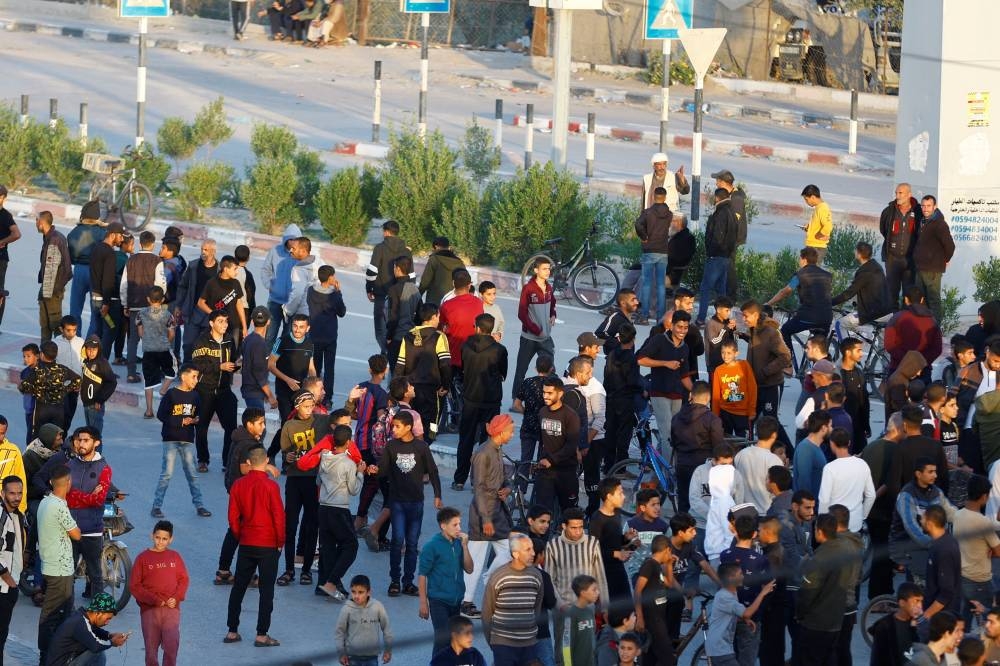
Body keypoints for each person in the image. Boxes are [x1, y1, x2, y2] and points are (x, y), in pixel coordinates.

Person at [375, 410, 443, 597]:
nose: (394, 430)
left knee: (412, 544)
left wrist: (438, 495)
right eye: (392, 426)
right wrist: (373, 469)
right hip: (397, 502)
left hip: (416, 503)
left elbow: (433, 471)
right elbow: (383, 471)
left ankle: (408, 582)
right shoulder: (391, 447)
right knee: (397, 541)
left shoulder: (421, 447)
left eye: (397, 426)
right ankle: (395, 580)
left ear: (408, 427)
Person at [224, 446, 284, 648]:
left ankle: (232, 631)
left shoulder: (239, 485)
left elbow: (233, 517)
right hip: (268, 543)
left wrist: (241, 535)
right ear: (266, 461)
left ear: (249, 462)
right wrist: (280, 542)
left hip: (247, 541)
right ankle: (261, 634)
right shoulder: (271, 487)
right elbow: (279, 517)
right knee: (266, 590)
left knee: (239, 587)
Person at [298, 424, 364, 600]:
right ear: (349, 443)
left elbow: (319, 481)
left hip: (323, 507)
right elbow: (353, 489)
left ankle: (322, 583)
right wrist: (360, 473)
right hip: (339, 508)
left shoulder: (324, 458)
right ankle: (332, 582)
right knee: (351, 545)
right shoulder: (349, 464)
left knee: (327, 547)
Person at [461, 414, 515, 619]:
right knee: (475, 559)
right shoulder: (483, 453)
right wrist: (486, 519)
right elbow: (479, 489)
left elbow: (504, 479)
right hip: (484, 514)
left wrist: (507, 489)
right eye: (510, 430)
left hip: (497, 511)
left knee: (509, 551)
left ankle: (490, 579)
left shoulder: (496, 450)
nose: (512, 434)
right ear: (501, 432)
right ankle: (466, 601)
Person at [546, 507, 608, 665]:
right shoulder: (553, 546)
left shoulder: (592, 543)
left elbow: (599, 575)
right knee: (563, 650)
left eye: (581, 527)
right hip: (564, 608)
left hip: (587, 608)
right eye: (573, 527)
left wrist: (605, 606)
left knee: (587, 647)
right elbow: (549, 580)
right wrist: (560, 605)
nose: (578, 531)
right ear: (564, 527)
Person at [454, 313, 507, 490]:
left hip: (470, 398)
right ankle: (480, 480)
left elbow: (462, 369)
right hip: (491, 401)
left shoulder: (466, 346)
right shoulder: (499, 350)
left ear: (477, 327)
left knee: (466, 440)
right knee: (488, 443)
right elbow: (503, 373)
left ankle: (459, 479)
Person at [152, 363, 210, 519]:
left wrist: (195, 419)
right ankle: (156, 506)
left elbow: (197, 415)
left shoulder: (195, 396)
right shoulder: (172, 394)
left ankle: (199, 505)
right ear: (183, 376)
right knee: (167, 474)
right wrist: (180, 422)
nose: (196, 380)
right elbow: (161, 415)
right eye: (193, 376)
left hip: (187, 439)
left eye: (197, 377)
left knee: (192, 474)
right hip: (170, 438)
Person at [36, 465, 80, 664]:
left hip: (50, 566)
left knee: (58, 614)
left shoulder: (46, 502)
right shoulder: (60, 506)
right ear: (68, 483)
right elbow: (76, 534)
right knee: (53, 616)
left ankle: (53, 656)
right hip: (60, 570)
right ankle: (48, 657)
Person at [128, 520, 189, 666]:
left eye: (164, 539)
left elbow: (183, 579)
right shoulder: (142, 558)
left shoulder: (175, 556)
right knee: (151, 651)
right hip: (150, 610)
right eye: (157, 537)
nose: (160, 542)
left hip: (171, 609)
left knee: (171, 646)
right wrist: (155, 600)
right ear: (152, 536)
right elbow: (134, 586)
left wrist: (176, 597)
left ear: (170, 539)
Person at [889, 458, 957, 585]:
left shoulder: (936, 492)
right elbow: (911, 527)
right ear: (918, 474)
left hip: (929, 543)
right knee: (924, 581)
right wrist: (933, 544)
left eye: (935, 471)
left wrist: (967, 520)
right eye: (930, 472)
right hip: (906, 544)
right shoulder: (907, 495)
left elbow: (950, 512)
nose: (935, 475)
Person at [794, 513, 851, 663]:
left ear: (819, 531)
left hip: (816, 623)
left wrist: (799, 614)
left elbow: (807, 594)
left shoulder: (818, 558)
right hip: (836, 620)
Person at [417, 507, 473, 656]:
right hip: (438, 600)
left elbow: (469, 569)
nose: (459, 528)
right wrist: (423, 603)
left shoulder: (458, 544)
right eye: (455, 525)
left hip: (456, 600)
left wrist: (465, 547)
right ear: (443, 525)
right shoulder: (431, 546)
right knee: (443, 639)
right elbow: (422, 575)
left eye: (459, 524)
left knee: (453, 640)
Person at [638, 310, 694, 458]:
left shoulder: (685, 347)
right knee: (667, 434)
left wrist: (696, 391)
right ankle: (669, 473)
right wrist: (665, 363)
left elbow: (684, 376)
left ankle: (658, 473)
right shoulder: (659, 340)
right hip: (659, 393)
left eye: (685, 327)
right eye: (679, 327)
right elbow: (640, 359)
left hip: (677, 395)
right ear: (672, 326)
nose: (682, 331)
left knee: (674, 434)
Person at [190, 310, 240, 472]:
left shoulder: (229, 340)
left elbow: (233, 361)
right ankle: (203, 460)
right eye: (220, 321)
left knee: (231, 427)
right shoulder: (202, 341)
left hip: (224, 390)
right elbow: (196, 364)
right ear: (211, 323)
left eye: (226, 321)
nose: (224, 325)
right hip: (205, 390)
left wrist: (238, 364)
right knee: (202, 426)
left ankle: (227, 462)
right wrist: (219, 366)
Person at [395, 304, 452, 443]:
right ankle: (428, 444)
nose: (439, 319)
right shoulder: (439, 337)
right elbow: (445, 364)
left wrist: (397, 389)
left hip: (410, 391)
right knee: (432, 423)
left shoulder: (408, 336)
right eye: (438, 316)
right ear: (433, 317)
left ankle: (412, 448)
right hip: (432, 391)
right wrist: (446, 385)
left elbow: (400, 365)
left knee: (411, 423)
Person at [720, 515, 771, 666]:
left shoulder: (725, 555)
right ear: (755, 534)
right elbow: (767, 587)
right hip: (750, 613)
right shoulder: (761, 560)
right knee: (747, 658)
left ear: (735, 532)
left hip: (728, 613)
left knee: (728, 656)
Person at [766, 246, 833, 356]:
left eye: (799, 258)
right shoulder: (827, 275)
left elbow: (785, 291)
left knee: (785, 330)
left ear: (804, 259)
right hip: (826, 317)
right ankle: (824, 365)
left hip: (809, 316)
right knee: (820, 345)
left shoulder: (800, 275)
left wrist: (769, 303)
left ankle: (788, 361)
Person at [738, 301, 791, 436]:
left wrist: (765, 372)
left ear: (755, 315)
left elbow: (785, 356)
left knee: (771, 424)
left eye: (746, 316)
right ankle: (745, 451)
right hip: (755, 386)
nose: (743, 319)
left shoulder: (771, 333)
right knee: (748, 420)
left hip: (771, 386)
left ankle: (788, 454)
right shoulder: (754, 330)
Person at [707, 561, 775, 666]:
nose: (743, 577)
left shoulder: (731, 593)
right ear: (730, 578)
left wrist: (745, 619)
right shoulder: (725, 596)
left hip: (722, 647)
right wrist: (763, 593)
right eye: (740, 574)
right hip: (720, 649)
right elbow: (747, 613)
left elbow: (732, 613)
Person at [120, 230, 166, 383]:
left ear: (140, 243)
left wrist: (125, 304)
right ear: (153, 244)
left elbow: (124, 285)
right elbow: (161, 285)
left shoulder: (131, 260)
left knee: (133, 340)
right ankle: (153, 373)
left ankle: (131, 373)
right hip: (151, 305)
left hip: (133, 305)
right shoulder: (157, 261)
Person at [672, 379, 724, 514]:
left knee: (683, 503)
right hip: (703, 466)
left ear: (691, 396)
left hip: (682, 464)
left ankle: (682, 530)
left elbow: (674, 441)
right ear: (708, 398)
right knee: (704, 505)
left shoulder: (676, 417)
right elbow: (719, 446)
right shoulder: (712, 420)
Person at [511, 257, 557, 404]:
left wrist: (553, 315)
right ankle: (515, 402)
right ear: (536, 270)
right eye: (544, 268)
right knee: (521, 371)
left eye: (549, 268)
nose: (548, 271)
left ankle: (549, 402)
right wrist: (535, 329)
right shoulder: (529, 289)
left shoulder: (548, 288)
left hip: (546, 338)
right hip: (529, 338)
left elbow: (553, 304)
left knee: (551, 369)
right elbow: (522, 314)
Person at [534, 377, 581, 514]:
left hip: (566, 471)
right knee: (542, 512)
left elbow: (571, 445)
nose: (545, 396)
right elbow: (542, 440)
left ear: (560, 394)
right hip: (546, 472)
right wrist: (540, 462)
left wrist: (551, 460)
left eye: (549, 393)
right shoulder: (542, 412)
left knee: (570, 512)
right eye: (544, 392)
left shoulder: (571, 416)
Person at [588, 478, 637, 608]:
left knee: (626, 606)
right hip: (602, 572)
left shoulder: (617, 513)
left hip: (618, 568)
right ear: (609, 496)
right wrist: (616, 554)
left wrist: (626, 538)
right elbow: (593, 550)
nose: (624, 496)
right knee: (607, 611)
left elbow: (613, 541)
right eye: (620, 493)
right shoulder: (597, 519)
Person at [366, 220, 412, 356]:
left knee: (380, 328)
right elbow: (412, 274)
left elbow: (372, 272)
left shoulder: (380, 248)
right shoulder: (406, 250)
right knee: (396, 326)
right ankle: (389, 353)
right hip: (401, 294)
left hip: (382, 293)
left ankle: (387, 352)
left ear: (385, 232)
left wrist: (369, 289)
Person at [46, 591, 129, 665]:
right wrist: (112, 642)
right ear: (98, 613)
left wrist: (109, 635)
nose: (107, 622)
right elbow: (96, 645)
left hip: (66, 660)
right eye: (108, 618)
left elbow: (94, 630)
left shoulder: (82, 617)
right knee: (97, 653)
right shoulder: (79, 623)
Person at [817, 427, 876, 530]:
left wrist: (822, 523)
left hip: (834, 524)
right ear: (849, 443)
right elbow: (871, 495)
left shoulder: (830, 468)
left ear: (832, 444)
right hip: (856, 522)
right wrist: (862, 516)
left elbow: (824, 500)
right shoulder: (862, 464)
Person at [696, 187, 739, 326]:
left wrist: (711, 251)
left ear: (717, 198)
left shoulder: (720, 213)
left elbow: (717, 236)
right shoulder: (732, 212)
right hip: (726, 257)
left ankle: (701, 318)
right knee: (721, 290)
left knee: (706, 288)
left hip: (716, 257)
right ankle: (723, 319)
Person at [633, 534, 677, 665]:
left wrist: (669, 564)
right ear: (668, 550)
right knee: (668, 658)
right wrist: (640, 617)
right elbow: (637, 590)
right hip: (652, 618)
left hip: (659, 616)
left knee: (651, 657)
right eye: (670, 552)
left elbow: (669, 583)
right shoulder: (649, 565)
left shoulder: (657, 566)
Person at [305, 264, 346, 404]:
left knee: (315, 368)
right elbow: (342, 312)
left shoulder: (311, 291)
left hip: (314, 335)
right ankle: (327, 398)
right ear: (329, 278)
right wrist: (339, 292)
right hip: (329, 337)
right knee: (329, 369)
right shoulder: (334, 296)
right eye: (333, 276)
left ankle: (313, 395)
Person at [831, 241, 892, 333]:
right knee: (882, 345)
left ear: (859, 254)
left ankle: (847, 347)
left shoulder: (864, 272)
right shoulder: (877, 266)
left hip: (873, 313)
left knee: (840, 324)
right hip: (887, 311)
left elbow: (848, 294)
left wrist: (829, 302)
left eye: (855, 251)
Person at [913, 194, 956, 321]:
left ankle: (935, 329)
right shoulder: (923, 220)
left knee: (933, 300)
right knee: (920, 299)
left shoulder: (939, 224)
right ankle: (922, 326)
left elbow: (950, 246)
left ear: (935, 207)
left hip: (932, 270)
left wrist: (945, 260)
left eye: (929, 206)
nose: (925, 209)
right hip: (920, 267)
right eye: (923, 206)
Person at [334, 574, 393, 666]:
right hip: (352, 657)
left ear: (368, 592)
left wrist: (388, 650)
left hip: (372, 657)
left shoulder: (377, 607)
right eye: (354, 592)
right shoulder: (347, 609)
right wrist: (341, 653)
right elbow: (339, 632)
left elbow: (387, 629)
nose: (356, 596)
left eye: (361, 592)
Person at [879, 183, 921, 309]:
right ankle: (893, 320)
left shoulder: (918, 211)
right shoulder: (889, 211)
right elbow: (883, 230)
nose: (897, 196)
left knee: (909, 293)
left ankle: (905, 320)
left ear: (909, 194)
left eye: (900, 193)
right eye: (896, 193)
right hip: (892, 259)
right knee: (891, 292)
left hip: (910, 260)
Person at [174, 240, 218, 361]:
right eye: (202, 249)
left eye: (206, 250)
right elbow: (183, 286)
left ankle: (200, 373)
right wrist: (178, 306)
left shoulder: (219, 270)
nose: (203, 252)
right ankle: (185, 369)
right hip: (192, 312)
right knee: (188, 344)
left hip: (209, 314)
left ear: (213, 251)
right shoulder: (193, 266)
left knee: (205, 347)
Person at [136, 286, 176, 419]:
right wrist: (165, 341)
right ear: (163, 299)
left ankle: (148, 410)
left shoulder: (140, 313)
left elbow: (140, 333)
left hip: (148, 350)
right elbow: (172, 333)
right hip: (163, 349)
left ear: (148, 299)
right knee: (172, 371)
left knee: (149, 380)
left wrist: (147, 339)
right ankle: (164, 389)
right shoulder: (168, 314)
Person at [634, 186, 673, 324]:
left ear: (653, 196)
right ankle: (660, 318)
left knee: (647, 284)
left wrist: (644, 236)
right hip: (663, 251)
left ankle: (644, 316)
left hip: (649, 250)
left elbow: (638, 224)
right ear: (665, 197)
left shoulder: (648, 212)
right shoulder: (669, 214)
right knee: (661, 285)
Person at [885, 285, 942, 378]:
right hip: (923, 371)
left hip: (898, 369)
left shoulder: (896, 318)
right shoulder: (932, 321)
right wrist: (921, 362)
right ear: (922, 299)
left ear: (906, 300)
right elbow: (937, 349)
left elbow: (889, 345)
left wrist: (907, 361)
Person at [261, 224, 301, 348]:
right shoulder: (275, 251)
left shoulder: (301, 255)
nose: (292, 242)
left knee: (288, 336)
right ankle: (265, 362)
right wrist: (269, 285)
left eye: (295, 239)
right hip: (275, 301)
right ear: (285, 239)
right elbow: (265, 269)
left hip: (292, 303)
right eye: (290, 239)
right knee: (269, 335)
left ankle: (280, 364)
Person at [514, 355, 554, 478]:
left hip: (528, 425)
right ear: (551, 369)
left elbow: (516, 404)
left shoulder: (528, 382)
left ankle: (520, 491)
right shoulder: (551, 385)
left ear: (536, 368)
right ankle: (538, 491)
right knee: (542, 461)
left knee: (525, 460)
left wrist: (527, 412)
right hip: (545, 427)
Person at [920, 504, 962, 623]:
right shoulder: (943, 542)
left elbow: (946, 592)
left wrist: (926, 615)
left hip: (943, 619)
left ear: (930, 523)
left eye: (923, 518)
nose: (920, 521)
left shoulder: (944, 549)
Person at [733, 416, 783, 514]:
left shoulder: (741, 454)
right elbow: (778, 491)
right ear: (774, 435)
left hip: (743, 511)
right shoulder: (774, 460)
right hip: (765, 512)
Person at [36, 211, 73, 342]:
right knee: (45, 325)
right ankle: (44, 353)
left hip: (52, 290)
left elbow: (51, 270)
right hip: (52, 288)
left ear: (41, 223)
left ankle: (58, 353)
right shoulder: (55, 236)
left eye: (36, 221)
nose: (36, 224)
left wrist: (45, 294)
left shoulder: (53, 240)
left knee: (55, 326)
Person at [867, 581, 923, 666]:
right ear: (902, 603)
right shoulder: (884, 627)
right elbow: (877, 660)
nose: (919, 606)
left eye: (921, 601)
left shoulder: (919, 624)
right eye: (916, 601)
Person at [0, 475, 25, 659]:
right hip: (3, 586)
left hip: (11, 585)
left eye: (19, 493)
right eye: (12, 493)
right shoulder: (1, 516)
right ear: (2, 493)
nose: (16, 497)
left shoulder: (17, 515)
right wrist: (8, 578)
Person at [711, 339, 757, 438]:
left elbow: (752, 388)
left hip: (742, 413)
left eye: (729, 353)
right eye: (723, 352)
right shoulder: (718, 370)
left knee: (743, 443)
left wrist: (752, 410)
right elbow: (715, 395)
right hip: (725, 412)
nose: (725, 356)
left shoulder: (744, 365)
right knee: (725, 442)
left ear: (736, 353)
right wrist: (715, 415)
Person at [385, 255, 422, 366]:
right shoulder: (415, 289)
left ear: (398, 269)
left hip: (398, 337)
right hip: (412, 336)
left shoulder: (394, 289)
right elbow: (420, 315)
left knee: (395, 369)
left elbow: (393, 316)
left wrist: (389, 336)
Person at [838, 337, 872, 451]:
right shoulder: (837, 374)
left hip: (858, 428)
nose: (861, 354)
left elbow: (864, 401)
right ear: (848, 352)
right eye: (858, 350)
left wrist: (866, 424)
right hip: (842, 427)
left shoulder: (859, 373)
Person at [792, 410, 832, 497]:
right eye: (830, 426)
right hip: (810, 506)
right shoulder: (806, 449)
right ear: (823, 428)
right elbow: (803, 481)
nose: (832, 429)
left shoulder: (814, 446)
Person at [420, 237, 466, 306]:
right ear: (448, 247)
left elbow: (425, 281)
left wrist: (418, 295)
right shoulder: (459, 262)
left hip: (434, 302)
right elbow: (465, 281)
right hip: (453, 301)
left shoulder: (434, 260)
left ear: (436, 246)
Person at [0, 184, 20, 327]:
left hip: (0, 258)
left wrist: (2, 242)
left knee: (0, 293)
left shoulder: (6, 216)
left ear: (3, 198)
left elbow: (16, 234)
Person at [568, 575, 599, 666]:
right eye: (594, 590)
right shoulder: (571, 614)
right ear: (583, 593)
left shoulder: (590, 610)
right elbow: (566, 646)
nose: (598, 592)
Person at [705, 297, 739, 378]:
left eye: (730, 310)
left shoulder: (727, 322)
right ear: (718, 310)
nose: (729, 313)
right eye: (727, 310)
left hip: (728, 362)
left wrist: (733, 329)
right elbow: (714, 342)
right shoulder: (711, 324)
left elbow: (733, 342)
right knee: (715, 388)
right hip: (715, 365)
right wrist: (726, 329)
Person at [799, 184, 832, 264]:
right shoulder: (819, 208)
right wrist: (808, 228)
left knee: (810, 272)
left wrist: (819, 235)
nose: (806, 202)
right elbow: (819, 225)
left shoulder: (822, 208)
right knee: (806, 271)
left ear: (813, 197)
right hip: (814, 246)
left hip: (817, 247)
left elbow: (828, 226)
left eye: (806, 199)